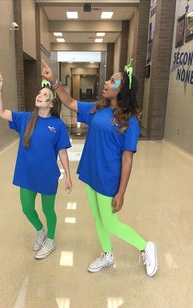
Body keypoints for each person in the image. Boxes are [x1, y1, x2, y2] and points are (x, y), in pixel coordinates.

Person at [41, 59, 158, 276]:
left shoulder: (130, 121)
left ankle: (145, 246)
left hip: (108, 178)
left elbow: (127, 159)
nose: (106, 82)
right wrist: (54, 81)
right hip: (91, 173)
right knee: (97, 218)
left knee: (111, 222)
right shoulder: (97, 109)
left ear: (122, 90)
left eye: (112, 80)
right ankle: (107, 253)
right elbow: (70, 102)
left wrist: (121, 192)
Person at [0, 66, 72, 259]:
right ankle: (41, 231)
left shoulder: (57, 125)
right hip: (26, 174)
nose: (40, 95)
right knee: (27, 208)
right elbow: (0, 112)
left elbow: (62, 151)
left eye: (45, 95)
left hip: (47, 175)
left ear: (51, 104)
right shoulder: (25, 118)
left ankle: (50, 240)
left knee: (47, 209)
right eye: (39, 93)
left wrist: (68, 176)